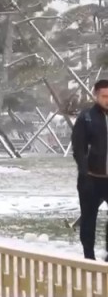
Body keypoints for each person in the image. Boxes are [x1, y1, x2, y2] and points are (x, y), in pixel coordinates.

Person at [71, 79, 108, 260]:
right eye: (104, 96)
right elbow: (79, 148)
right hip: (91, 178)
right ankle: (89, 257)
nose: (107, 99)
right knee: (88, 218)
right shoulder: (87, 117)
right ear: (96, 96)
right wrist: (84, 172)